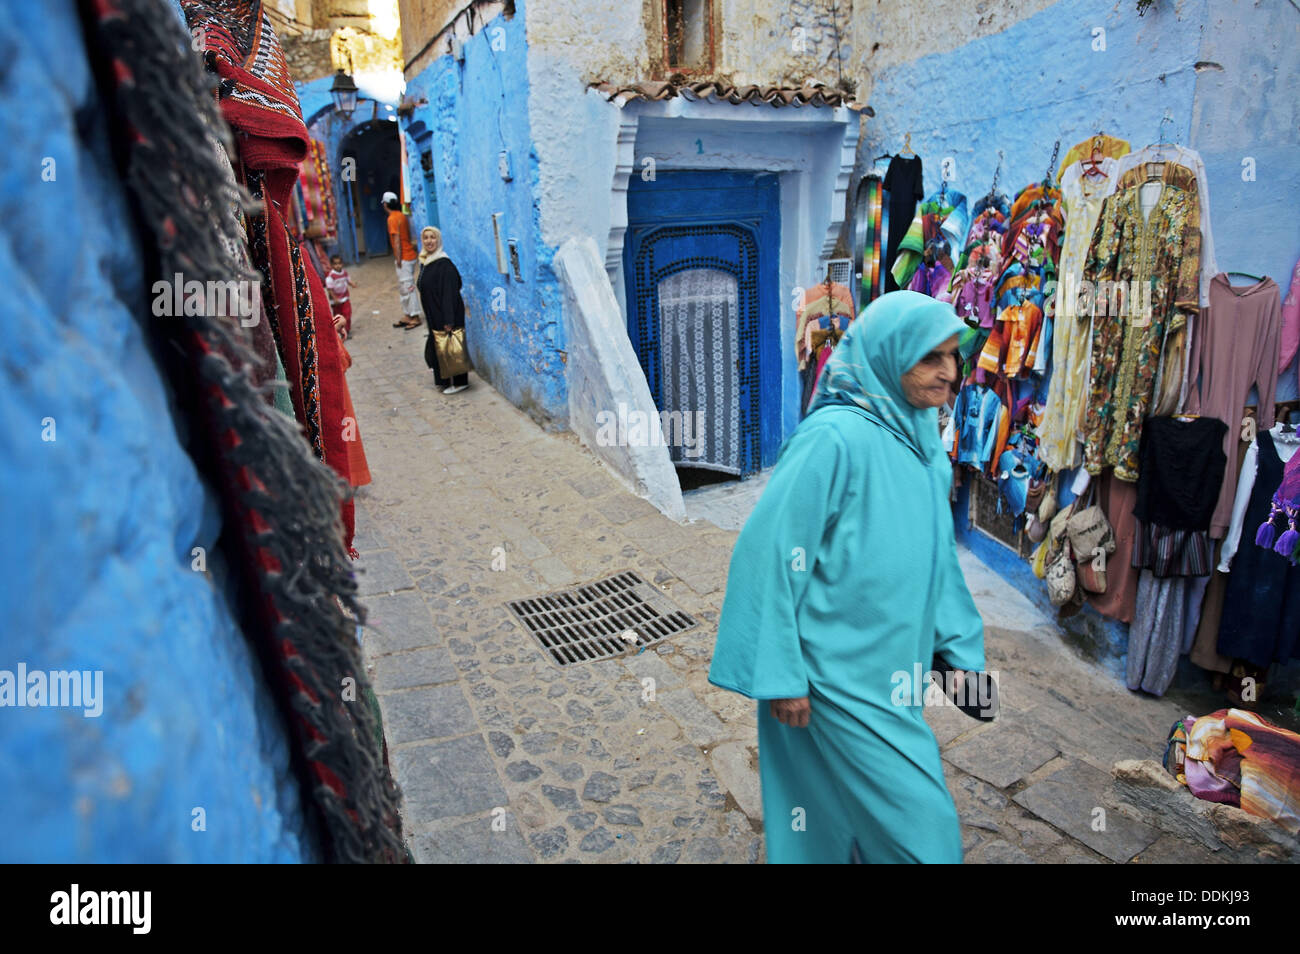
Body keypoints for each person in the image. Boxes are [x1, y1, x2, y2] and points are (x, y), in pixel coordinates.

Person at [708, 291, 989, 864]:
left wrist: (961, 654)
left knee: (829, 804)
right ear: (889, 355)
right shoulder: (832, 439)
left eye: (953, 356)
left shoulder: (922, 440)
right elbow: (768, 552)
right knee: (925, 831)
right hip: (835, 676)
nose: (949, 372)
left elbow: (936, 559)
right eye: (929, 358)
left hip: (895, 667)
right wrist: (780, 672)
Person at [416, 226, 469, 394]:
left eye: (433, 237)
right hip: (434, 313)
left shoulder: (444, 263)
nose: (429, 241)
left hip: (445, 312)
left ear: (438, 240)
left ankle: (460, 383)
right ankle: (444, 381)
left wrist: (449, 320)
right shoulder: (427, 261)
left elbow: (449, 293)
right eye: (426, 238)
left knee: (451, 347)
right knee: (440, 347)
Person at [384, 191, 421, 329]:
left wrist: (398, 258)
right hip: (408, 255)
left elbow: (396, 240)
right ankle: (408, 314)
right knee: (404, 287)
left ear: (386, 204)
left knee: (407, 287)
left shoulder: (392, 219)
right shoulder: (401, 216)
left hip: (404, 257)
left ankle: (415, 316)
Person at [324, 254, 357, 335]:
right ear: (331, 265)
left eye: (339, 263)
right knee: (338, 317)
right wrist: (335, 298)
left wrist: (352, 284)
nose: (338, 266)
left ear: (342, 264)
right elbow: (330, 289)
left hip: (345, 298)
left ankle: (347, 330)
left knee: (347, 314)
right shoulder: (330, 276)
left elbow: (348, 280)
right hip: (336, 301)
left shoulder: (344, 273)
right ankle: (339, 332)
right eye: (335, 264)